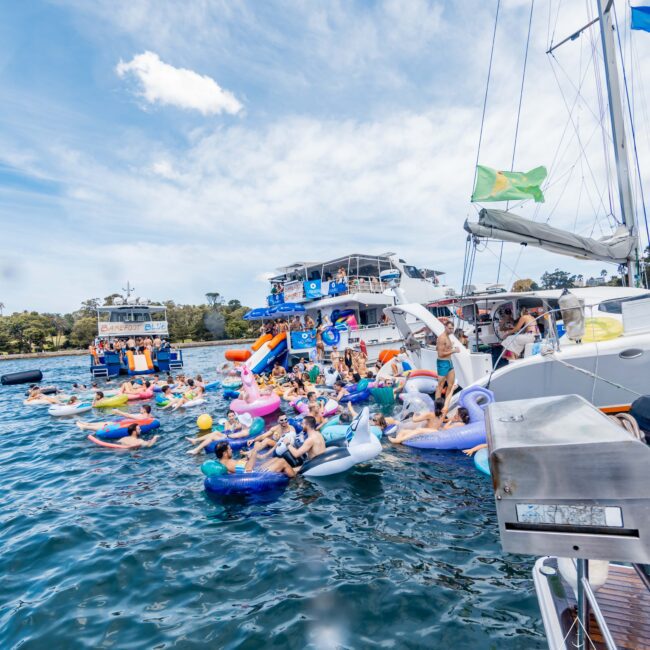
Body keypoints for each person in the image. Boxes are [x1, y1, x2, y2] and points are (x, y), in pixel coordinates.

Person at [389, 407, 470, 444]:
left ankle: (398, 440)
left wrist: (452, 420)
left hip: (439, 434)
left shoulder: (460, 423)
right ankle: (398, 439)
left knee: (419, 430)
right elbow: (444, 421)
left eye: (457, 414)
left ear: (461, 416)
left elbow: (445, 428)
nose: (455, 415)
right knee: (403, 431)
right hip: (439, 431)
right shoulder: (457, 422)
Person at [435, 321, 460, 402]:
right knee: (440, 385)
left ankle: (446, 403)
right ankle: (437, 408)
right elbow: (440, 354)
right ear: (445, 327)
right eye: (449, 328)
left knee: (451, 385)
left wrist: (450, 346)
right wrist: (454, 351)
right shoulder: (442, 338)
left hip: (449, 363)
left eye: (452, 329)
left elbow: (438, 348)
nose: (451, 331)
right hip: (442, 363)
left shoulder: (447, 336)